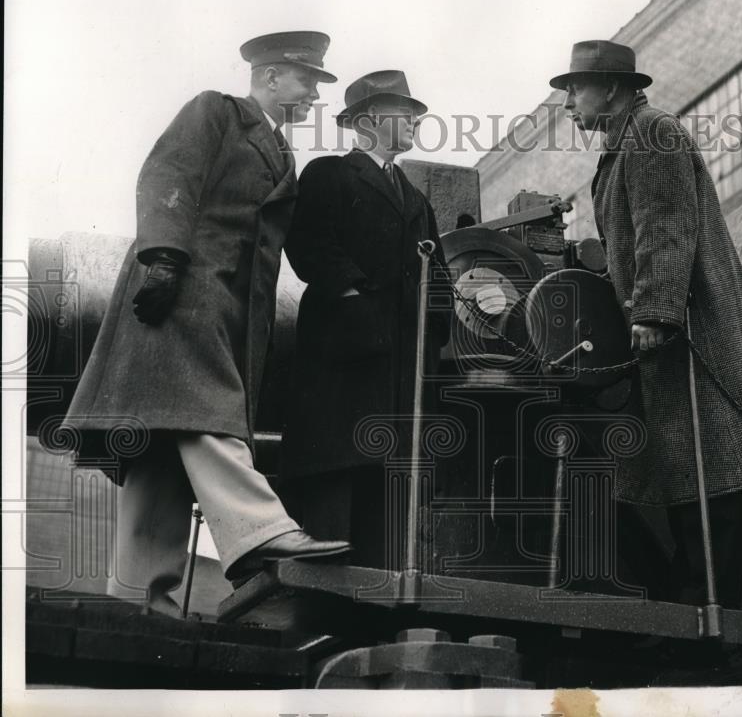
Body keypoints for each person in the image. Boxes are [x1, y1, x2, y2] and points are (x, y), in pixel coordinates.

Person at [64, 31, 350, 616]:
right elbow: (169, 175)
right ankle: (260, 530)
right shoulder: (216, 112)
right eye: (306, 82)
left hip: (226, 307)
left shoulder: (280, 151)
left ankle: (138, 598)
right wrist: (163, 257)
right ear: (270, 76)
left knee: (163, 448)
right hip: (182, 292)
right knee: (207, 412)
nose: (312, 98)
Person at [550, 40, 742, 608]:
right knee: (680, 465)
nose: (566, 103)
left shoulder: (651, 132)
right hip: (669, 331)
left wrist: (655, 311)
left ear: (612, 87)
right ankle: (689, 604)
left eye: (573, 89)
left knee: (705, 466)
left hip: (688, 330)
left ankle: (710, 616)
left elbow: (665, 224)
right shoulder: (624, 142)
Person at [281, 70, 452, 568]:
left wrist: (437, 326)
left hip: (399, 370)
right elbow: (309, 244)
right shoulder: (328, 174)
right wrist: (353, 295)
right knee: (335, 479)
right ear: (370, 119)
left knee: (386, 488)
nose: (416, 122)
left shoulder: (416, 199)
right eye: (406, 114)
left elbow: (435, 274)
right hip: (343, 360)